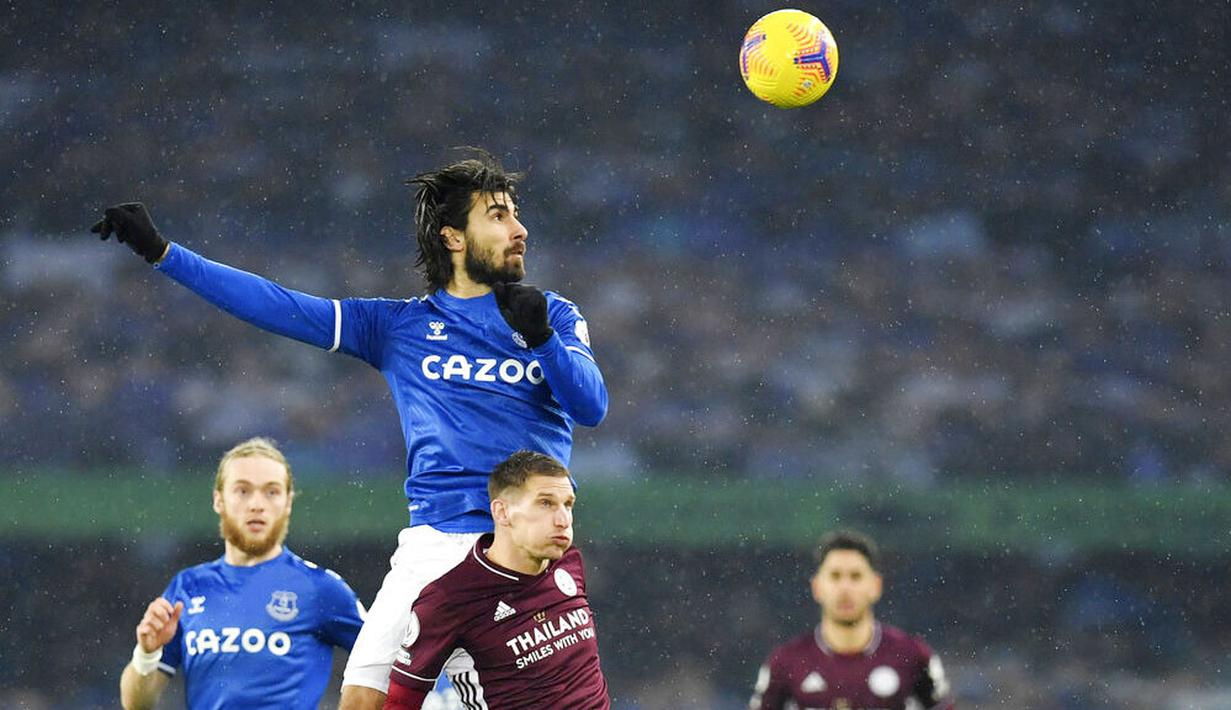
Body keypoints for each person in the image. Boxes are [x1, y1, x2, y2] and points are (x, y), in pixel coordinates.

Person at [92, 149, 608, 709]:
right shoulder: (396, 326)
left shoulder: (552, 315)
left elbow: (591, 405)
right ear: (454, 238)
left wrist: (544, 341)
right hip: (433, 544)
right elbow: (279, 306)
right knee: (362, 696)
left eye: (515, 213)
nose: (520, 229)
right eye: (499, 215)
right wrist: (164, 254)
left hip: (521, 548)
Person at [119, 437, 366, 710]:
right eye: (243, 491)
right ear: (218, 500)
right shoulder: (188, 587)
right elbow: (136, 704)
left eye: (271, 492)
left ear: (288, 503)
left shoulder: (320, 588)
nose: (257, 504)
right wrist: (147, 654)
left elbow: (383, 668)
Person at [384, 450, 609, 709]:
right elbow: (400, 703)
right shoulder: (448, 599)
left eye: (568, 504)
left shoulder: (569, 563)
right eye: (545, 503)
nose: (563, 520)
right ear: (502, 512)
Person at [749, 530, 954, 710]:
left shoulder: (913, 656)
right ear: (817, 587)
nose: (845, 588)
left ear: (875, 585)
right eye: (835, 576)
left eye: (855, 576)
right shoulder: (786, 662)